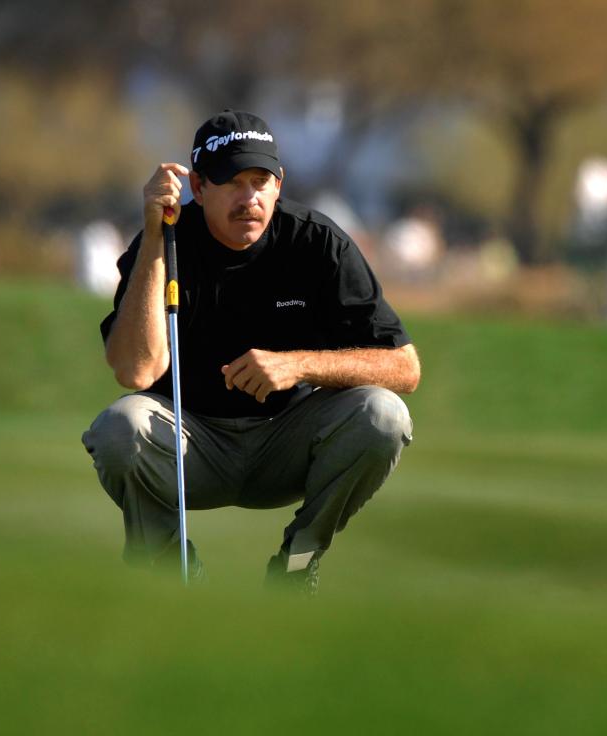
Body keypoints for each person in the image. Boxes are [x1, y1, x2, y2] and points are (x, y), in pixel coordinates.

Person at [82, 110, 420, 594]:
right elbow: (137, 370)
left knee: (385, 415)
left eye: (260, 181)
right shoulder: (165, 242)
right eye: (231, 182)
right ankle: (167, 572)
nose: (249, 199)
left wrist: (296, 365)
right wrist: (156, 235)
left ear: (278, 184)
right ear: (198, 188)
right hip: (191, 447)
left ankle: (297, 566)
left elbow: (404, 368)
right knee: (119, 430)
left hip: (287, 442)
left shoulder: (318, 242)